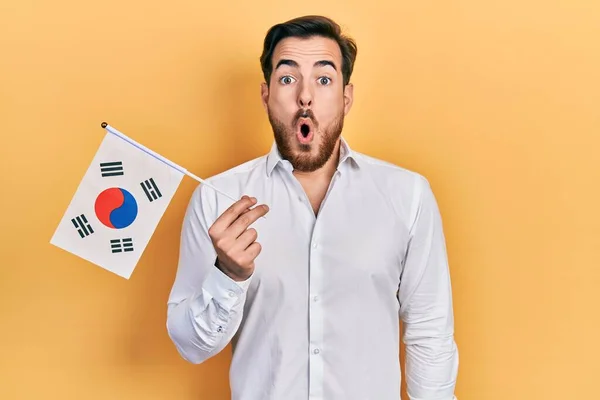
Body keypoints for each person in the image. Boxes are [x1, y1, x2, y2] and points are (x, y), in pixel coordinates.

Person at [166, 15, 459, 400]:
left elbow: (429, 332)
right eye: (287, 79)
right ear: (266, 94)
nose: (305, 96)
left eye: (324, 79)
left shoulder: (407, 195)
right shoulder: (217, 198)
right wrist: (228, 274)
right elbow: (192, 345)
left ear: (346, 97)